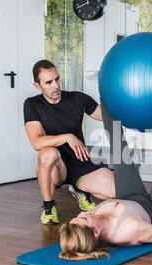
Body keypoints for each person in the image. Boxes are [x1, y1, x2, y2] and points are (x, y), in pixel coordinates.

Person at [59, 69, 152, 261]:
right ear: (95, 232)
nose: (82, 212)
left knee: (118, 146)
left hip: (131, 197)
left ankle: (103, 91)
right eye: (83, 218)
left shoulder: (92, 219)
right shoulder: (127, 231)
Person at [24, 60, 115, 225]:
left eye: (57, 79)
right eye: (49, 82)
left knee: (115, 191)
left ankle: (80, 189)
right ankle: (49, 207)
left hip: (81, 163)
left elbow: (108, 116)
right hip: (57, 167)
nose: (56, 85)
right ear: (37, 86)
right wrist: (67, 137)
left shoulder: (77, 98)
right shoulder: (32, 104)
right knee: (47, 154)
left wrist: (114, 94)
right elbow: (37, 142)